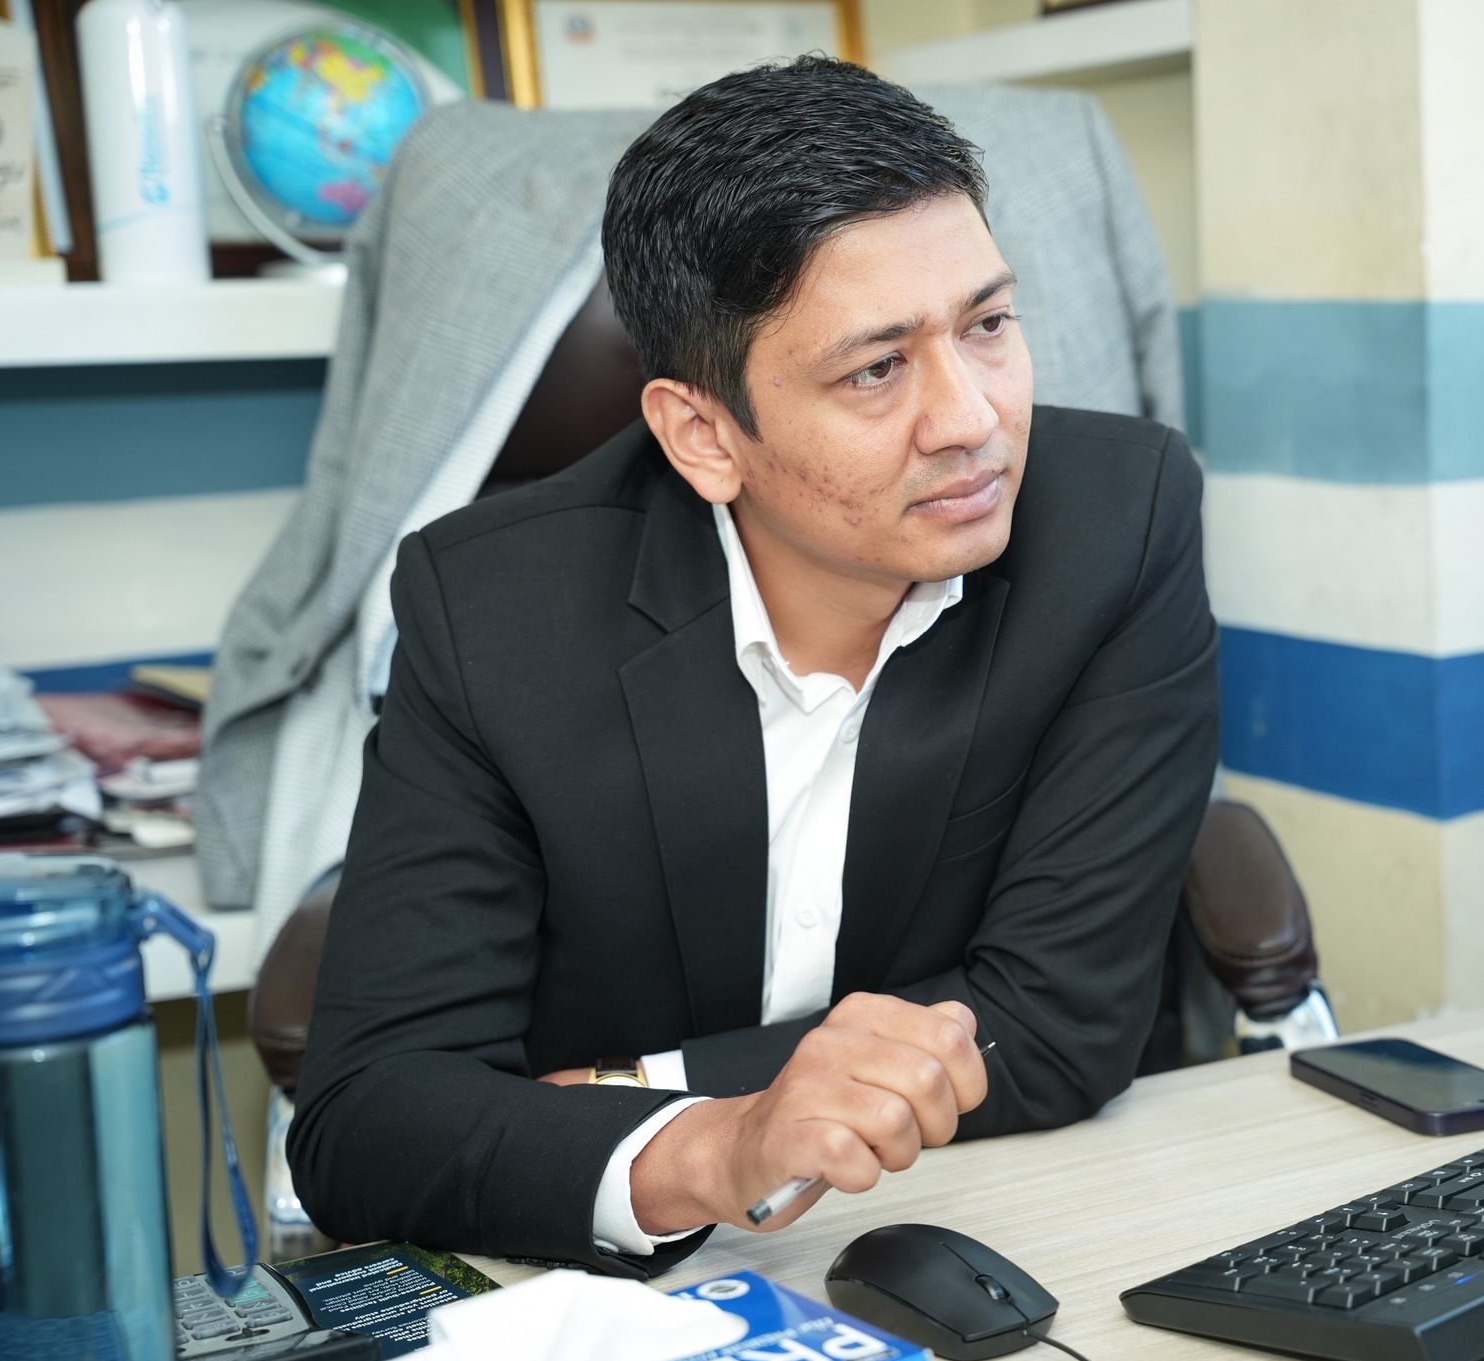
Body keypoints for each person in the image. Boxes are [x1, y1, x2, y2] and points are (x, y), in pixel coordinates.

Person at [289, 55, 1218, 1278]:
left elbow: (1060, 1021)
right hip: (607, 1284)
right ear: (702, 435)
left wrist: (642, 1093)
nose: (972, 420)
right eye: (875, 368)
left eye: (986, 325)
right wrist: (709, 1150)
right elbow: (367, 1119)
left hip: (1008, 1216)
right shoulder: (492, 613)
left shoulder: (1117, 521)